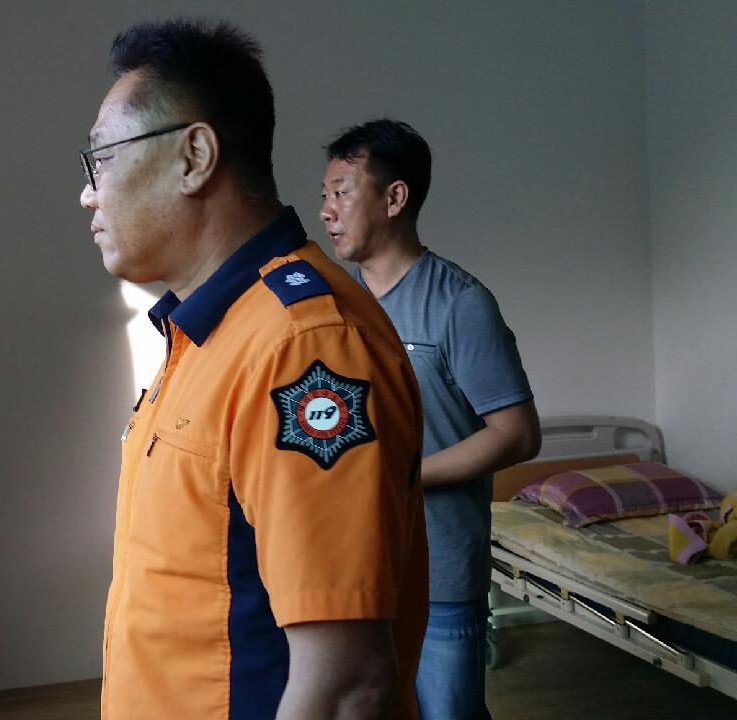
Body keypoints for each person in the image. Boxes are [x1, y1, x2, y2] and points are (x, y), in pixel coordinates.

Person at [80, 20, 428, 719]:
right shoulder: (209, 332)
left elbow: (346, 686)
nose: (89, 194)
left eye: (102, 160)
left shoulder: (304, 346)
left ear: (194, 156)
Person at [319, 119, 541, 720]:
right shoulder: (335, 306)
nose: (327, 210)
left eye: (342, 192)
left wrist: (403, 475)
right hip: (354, 565)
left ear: (395, 198)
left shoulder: (459, 304)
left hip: (439, 568)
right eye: (325, 195)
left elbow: (517, 434)